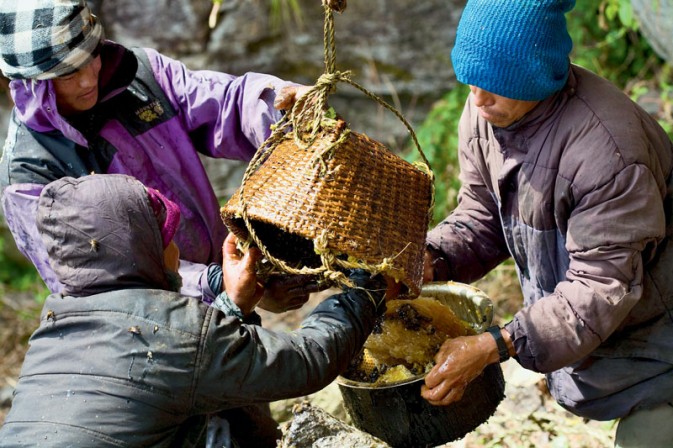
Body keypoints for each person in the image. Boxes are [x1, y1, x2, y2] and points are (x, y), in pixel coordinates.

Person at [419, 0, 673, 446]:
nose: (476, 98)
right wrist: (432, 259)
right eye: (470, 80)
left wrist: (496, 345)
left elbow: (600, 288)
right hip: (607, 334)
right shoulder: (488, 112)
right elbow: (482, 216)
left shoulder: (609, 153)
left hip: (660, 343)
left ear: (535, 74)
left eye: (493, 85)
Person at [0, 174, 394, 447]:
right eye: (167, 237)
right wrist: (366, 288)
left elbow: (166, 374)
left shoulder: (53, 330)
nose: (177, 250)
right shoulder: (173, 332)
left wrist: (232, 307)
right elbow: (310, 360)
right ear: (143, 251)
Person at [0, 0, 316, 311]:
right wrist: (220, 284)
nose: (88, 78)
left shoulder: (142, 77)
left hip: (226, 279)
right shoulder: (30, 177)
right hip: (150, 328)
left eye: (91, 56)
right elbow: (105, 283)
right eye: (68, 74)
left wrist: (281, 108)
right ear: (31, 84)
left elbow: (225, 103)